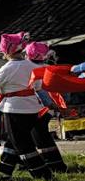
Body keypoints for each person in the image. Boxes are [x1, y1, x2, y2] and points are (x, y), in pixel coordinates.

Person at [0, 33, 52, 181]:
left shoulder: (6, 68)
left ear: (5, 51)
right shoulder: (32, 65)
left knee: (22, 143)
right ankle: (4, 172)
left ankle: (43, 174)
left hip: (14, 109)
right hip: (33, 108)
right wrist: (49, 104)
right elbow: (39, 89)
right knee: (14, 140)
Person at [25, 42, 67, 173]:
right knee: (41, 134)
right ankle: (54, 162)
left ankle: (52, 163)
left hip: (40, 106)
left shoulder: (30, 69)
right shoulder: (49, 68)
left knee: (39, 135)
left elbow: (36, 89)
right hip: (50, 106)